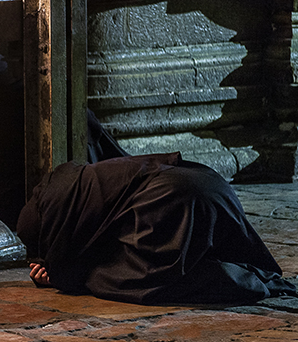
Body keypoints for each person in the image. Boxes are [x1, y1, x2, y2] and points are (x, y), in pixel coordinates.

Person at [17, 117, 297, 305]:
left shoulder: (64, 210)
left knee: (116, 278)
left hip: (177, 203)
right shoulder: (73, 183)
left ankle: (248, 282)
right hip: (209, 185)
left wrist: (58, 275)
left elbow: (78, 264)